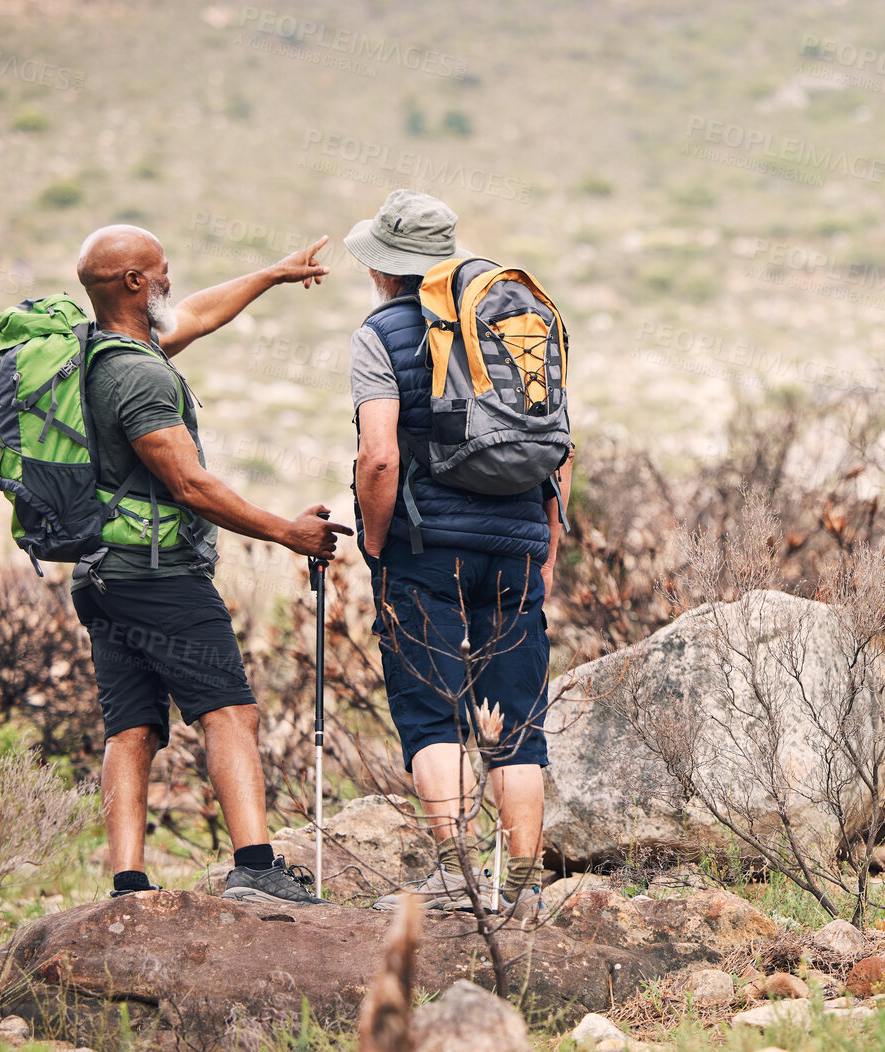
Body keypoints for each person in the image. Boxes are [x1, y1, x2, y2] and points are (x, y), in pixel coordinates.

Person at [73, 224, 351, 904]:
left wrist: (271, 274)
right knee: (229, 712)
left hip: (101, 573)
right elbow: (190, 486)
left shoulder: (101, 354)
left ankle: (128, 883)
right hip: (159, 575)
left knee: (130, 725)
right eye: (161, 269)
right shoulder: (139, 376)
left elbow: (195, 314)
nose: (171, 279)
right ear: (136, 283)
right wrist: (287, 532)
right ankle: (256, 866)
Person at [345, 190, 569, 915]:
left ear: (384, 268)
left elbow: (378, 458)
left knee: (432, 712)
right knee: (515, 713)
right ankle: (527, 888)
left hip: (424, 545)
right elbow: (561, 449)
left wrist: (378, 547)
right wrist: (549, 548)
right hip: (516, 543)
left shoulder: (380, 333)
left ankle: (456, 878)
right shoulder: (512, 320)